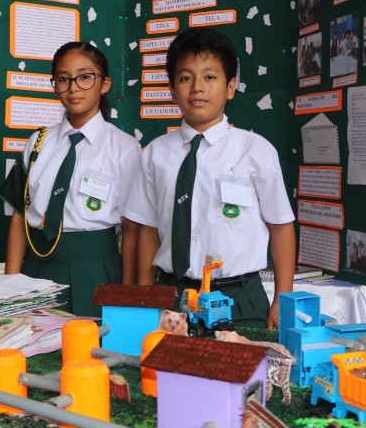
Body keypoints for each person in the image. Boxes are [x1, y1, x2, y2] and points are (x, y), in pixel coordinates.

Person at [126, 28, 296, 329]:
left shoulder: (255, 151)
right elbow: (149, 230)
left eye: (209, 77)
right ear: (172, 88)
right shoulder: (155, 154)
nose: (197, 88)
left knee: (246, 376)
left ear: (231, 87)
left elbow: (281, 227)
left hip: (241, 299)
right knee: (166, 375)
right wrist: (145, 295)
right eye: (185, 78)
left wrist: (283, 297)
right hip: (173, 296)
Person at [0, 41, 142, 316]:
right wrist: (9, 287)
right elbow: (19, 216)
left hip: (96, 268)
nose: (73, 87)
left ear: (105, 84)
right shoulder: (37, 142)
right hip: (36, 269)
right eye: (63, 79)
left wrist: (127, 294)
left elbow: (132, 229)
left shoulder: (124, 147)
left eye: (85, 77)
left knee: (90, 350)